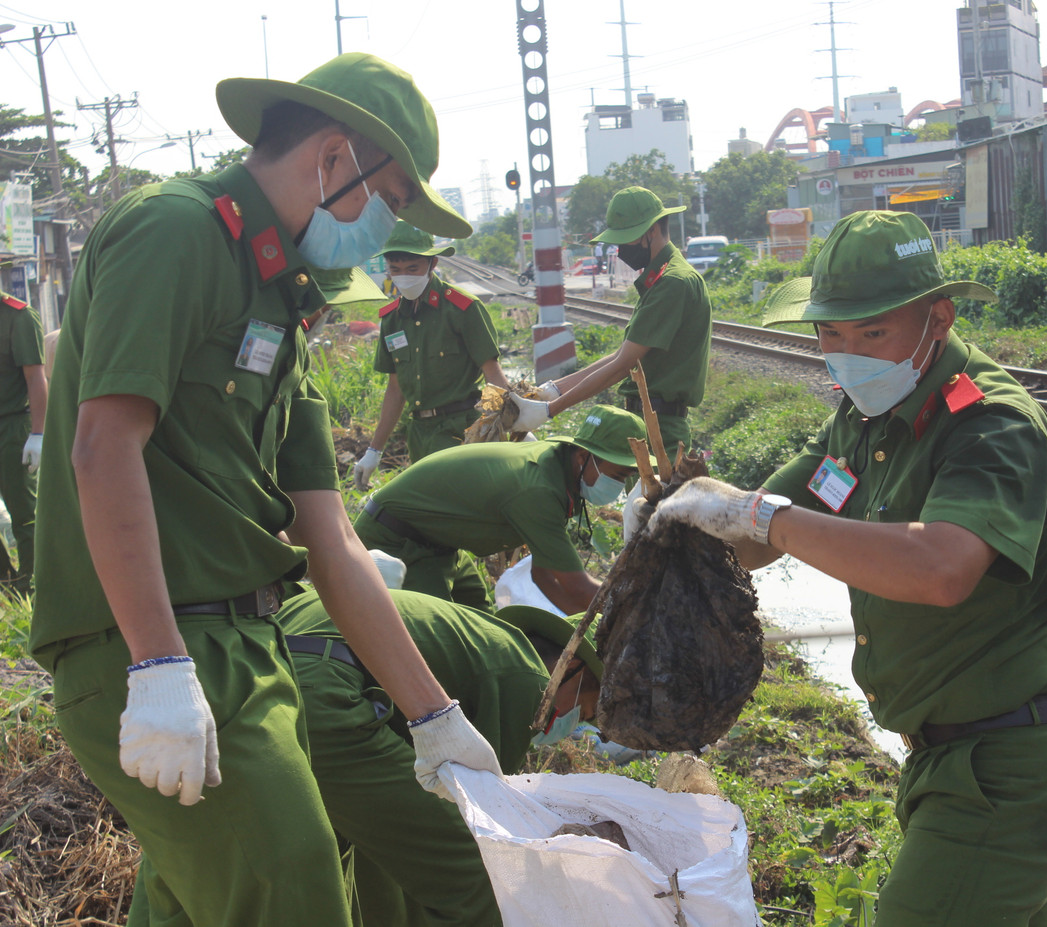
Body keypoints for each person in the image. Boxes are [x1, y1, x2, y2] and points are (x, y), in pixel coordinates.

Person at [30, 53, 507, 927]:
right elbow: (103, 449)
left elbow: (332, 540)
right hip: (156, 646)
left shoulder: (282, 307)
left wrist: (434, 717)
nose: (386, 230)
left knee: (197, 902)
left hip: (251, 645)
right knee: (294, 891)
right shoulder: (174, 231)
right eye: (390, 198)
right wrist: (158, 662)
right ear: (333, 157)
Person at [644, 210, 1047, 927]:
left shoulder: (990, 424)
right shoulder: (862, 422)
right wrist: (689, 517)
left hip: (1002, 772)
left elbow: (941, 569)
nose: (846, 353)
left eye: (871, 332)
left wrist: (764, 517)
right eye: (829, 334)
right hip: (941, 762)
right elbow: (767, 532)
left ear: (937, 318)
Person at [276, 577, 602, 927]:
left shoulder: (491, 644)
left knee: (375, 854)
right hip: (328, 696)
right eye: (583, 710)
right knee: (480, 875)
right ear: (570, 665)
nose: (574, 723)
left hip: (271, 670)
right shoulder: (529, 679)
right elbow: (480, 817)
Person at [355, 403, 648, 614]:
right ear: (584, 456)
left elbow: (544, 574)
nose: (620, 485)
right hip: (397, 542)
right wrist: (635, 613)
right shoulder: (539, 490)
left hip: (441, 544)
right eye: (618, 475)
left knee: (487, 628)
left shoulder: (560, 474)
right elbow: (577, 585)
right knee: (438, 640)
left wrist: (578, 625)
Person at [508, 186, 712, 455]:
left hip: (660, 430)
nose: (620, 249)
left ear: (651, 231)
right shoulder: (661, 277)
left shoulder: (671, 283)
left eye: (625, 239)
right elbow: (624, 355)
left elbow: (623, 365)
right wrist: (554, 390)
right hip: (646, 424)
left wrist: (550, 410)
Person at [353, 221, 509, 488]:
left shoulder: (461, 308)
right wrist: (374, 450)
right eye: (395, 270)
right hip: (419, 434)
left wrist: (508, 425)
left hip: (461, 429)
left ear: (432, 263)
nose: (404, 277)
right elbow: (395, 388)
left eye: (412, 269)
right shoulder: (392, 319)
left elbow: (492, 373)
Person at [0, 289, 47, 593]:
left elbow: (35, 378)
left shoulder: (18, 316)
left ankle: (32, 587)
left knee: (24, 515)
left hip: (12, 425)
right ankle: (7, 583)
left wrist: (39, 434)